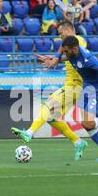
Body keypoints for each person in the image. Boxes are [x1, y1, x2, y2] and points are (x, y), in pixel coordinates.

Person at [38, 36, 98, 161]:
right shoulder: (72, 53)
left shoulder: (88, 59)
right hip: (86, 88)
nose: (65, 53)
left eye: (67, 51)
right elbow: (64, 52)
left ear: (75, 49)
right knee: (88, 125)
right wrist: (55, 59)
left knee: (87, 123)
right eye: (64, 51)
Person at [11, 21, 89, 161]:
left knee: (47, 105)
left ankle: (29, 132)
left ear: (68, 30)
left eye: (61, 33)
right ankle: (78, 142)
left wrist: (55, 60)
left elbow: (75, 56)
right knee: (51, 118)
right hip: (73, 86)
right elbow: (64, 55)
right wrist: (53, 59)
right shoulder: (68, 45)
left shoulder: (78, 41)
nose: (60, 36)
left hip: (74, 85)